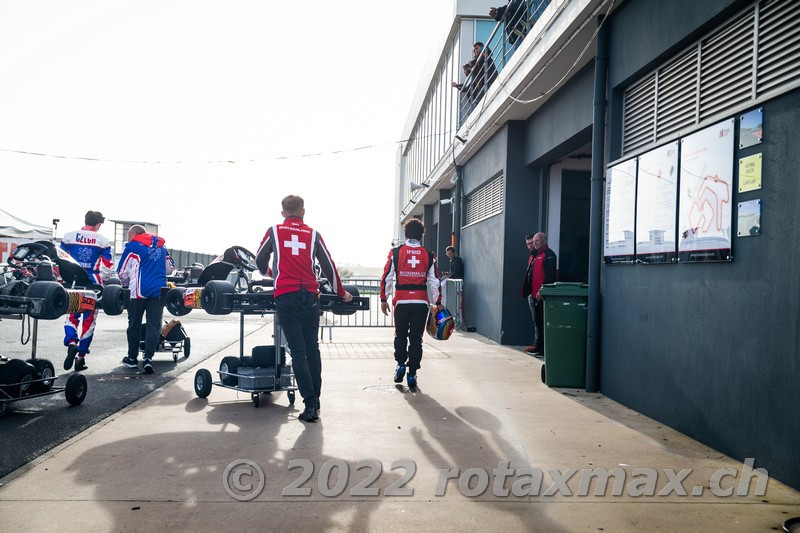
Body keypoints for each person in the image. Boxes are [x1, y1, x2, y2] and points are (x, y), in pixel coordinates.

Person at [255, 195, 352, 423]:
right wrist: (342, 292)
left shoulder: (274, 231)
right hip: (310, 295)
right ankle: (315, 401)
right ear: (303, 212)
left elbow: (259, 262)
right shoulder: (314, 235)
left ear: (282, 213)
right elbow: (329, 266)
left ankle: (309, 405)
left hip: (285, 296)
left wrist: (271, 273)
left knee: (298, 352)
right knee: (312, 349)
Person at [380, 219, 442, 389]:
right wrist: (438, 302)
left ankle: (400, 364)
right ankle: (412, 373)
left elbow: (387, 277)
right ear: (422, 235)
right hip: (421, 301)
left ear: (405, 234)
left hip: (401, 300)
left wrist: (384, 299)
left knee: (400, 334)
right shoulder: (429, 255)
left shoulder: (396, 252)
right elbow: (435, 281)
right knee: (416, 339)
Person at [60, 210, 113, 371]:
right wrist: (102, 281)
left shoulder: (68, 236)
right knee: (89, 322)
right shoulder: (103, 241)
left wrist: (65, 278)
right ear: (98, 224)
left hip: (74, 283)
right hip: (93, 285)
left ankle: (71, 343)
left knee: (71, 316)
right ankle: (80, 357)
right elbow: (107, 267)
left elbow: (59, 260)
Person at [118, 225, 174, 374]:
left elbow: (121, 271)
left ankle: (132, 359)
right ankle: (149, 358)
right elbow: (170, 268)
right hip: (158, 291)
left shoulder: (133, 246)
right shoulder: (162, 247)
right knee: (154, 325)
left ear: (135, 234)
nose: (129, 238)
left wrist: (125, 284)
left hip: (138, 292)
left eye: (129, 235)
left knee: (134, 324)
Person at [522, 232, 556, 356]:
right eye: (532, 242)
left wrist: (542, 290)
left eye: (536, 241)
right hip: (535, 294)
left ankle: (542, 349)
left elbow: (550, 275)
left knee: (542, 321)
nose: (534, 244)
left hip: (542, 295)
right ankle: (538, 346)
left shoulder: (549, 255)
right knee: (537, 321)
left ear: (544, 241)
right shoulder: (536, 255)